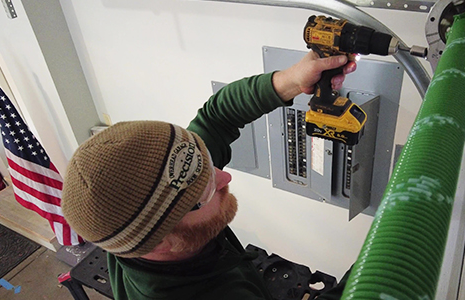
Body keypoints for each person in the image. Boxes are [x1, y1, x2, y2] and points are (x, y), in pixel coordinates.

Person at [60, 51, 357, 299]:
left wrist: (291, 79)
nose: (223, 178)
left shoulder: (133, 226)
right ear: (161, 242)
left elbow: (217, 118)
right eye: (201, 194)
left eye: (203, 162)